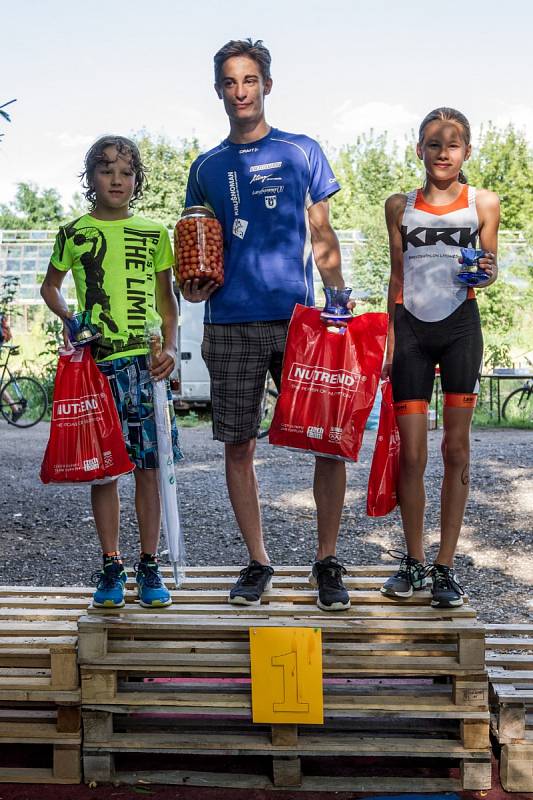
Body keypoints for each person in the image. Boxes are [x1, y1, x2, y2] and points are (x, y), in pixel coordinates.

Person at [183, 38, 351, 611]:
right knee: (238, 446)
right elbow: (195, 252)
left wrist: (338, 301)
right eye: (229, 82)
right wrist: (191, 287)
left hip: (298, 319)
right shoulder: (205, 167)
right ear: (218, 92)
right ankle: (258, 563)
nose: (240, 91)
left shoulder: (302, 151)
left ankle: (326, 561)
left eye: (249, 80)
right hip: (229, 321)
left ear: (267, 85)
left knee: (327, 440)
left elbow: (322, 234)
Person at [40, 135, 181, 609]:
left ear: (137, 179)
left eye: (125, 171)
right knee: (105, 472)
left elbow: (168, 304)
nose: (116, 179)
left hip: (145, 365)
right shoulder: (73, 232)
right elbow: (50, 288)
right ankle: (111, 565)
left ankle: (148, 564)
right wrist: (71, 319)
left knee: (149, 467)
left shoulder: (154, 232)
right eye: (105, 169)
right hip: (98, 367)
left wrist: (171, 349)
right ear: (90, 178)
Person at [380, 107, 500, 608]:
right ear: (419, 151)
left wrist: (486, 272)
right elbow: (397, 276)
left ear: (466, 152)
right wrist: (388, 341)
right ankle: (412, 561)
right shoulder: (398, 205)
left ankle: (445, 567)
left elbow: (489, 268)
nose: (443, 152)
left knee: (456, 452)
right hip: (410, 331)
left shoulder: (484, 202)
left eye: (453, 145)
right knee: (411, 454)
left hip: (459, 331)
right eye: (433, 144)